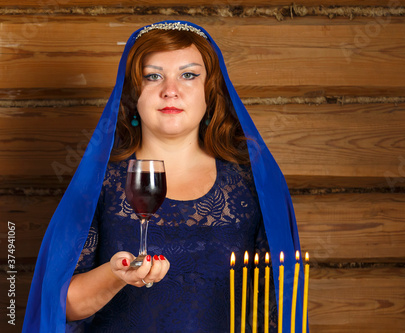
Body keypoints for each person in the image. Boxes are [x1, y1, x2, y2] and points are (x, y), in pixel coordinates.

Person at [23, 21, 306, 332]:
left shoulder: (254, 184)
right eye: (153, 76)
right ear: (133, 94)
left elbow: (280, 305)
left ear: (209, 92)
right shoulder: (100, 184)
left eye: (188, 75)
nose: (170, 90)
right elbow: (59, 305)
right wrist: (116, 275)